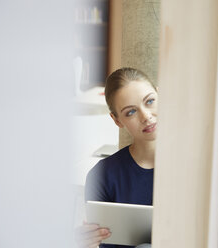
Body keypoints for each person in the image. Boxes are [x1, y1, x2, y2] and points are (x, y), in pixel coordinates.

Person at [75, 68, 157, 248]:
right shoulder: (103, 176)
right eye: (131, 112)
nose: (146, 116)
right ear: (117, 120)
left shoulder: (195, 165)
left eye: (150, 101)